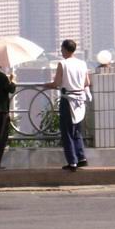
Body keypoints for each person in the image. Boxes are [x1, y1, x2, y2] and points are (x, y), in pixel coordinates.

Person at [45, 39, 91, 172]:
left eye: (61, 49)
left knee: (67, 132)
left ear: (65, 49)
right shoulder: (82, 63)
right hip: (80, 100)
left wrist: (45, 85)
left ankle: (72, 162)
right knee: (77, 130)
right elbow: (87, 82)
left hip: (68, 100)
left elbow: (56, 83)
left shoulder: (63, 64)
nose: (61, 51)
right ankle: (81, 157)